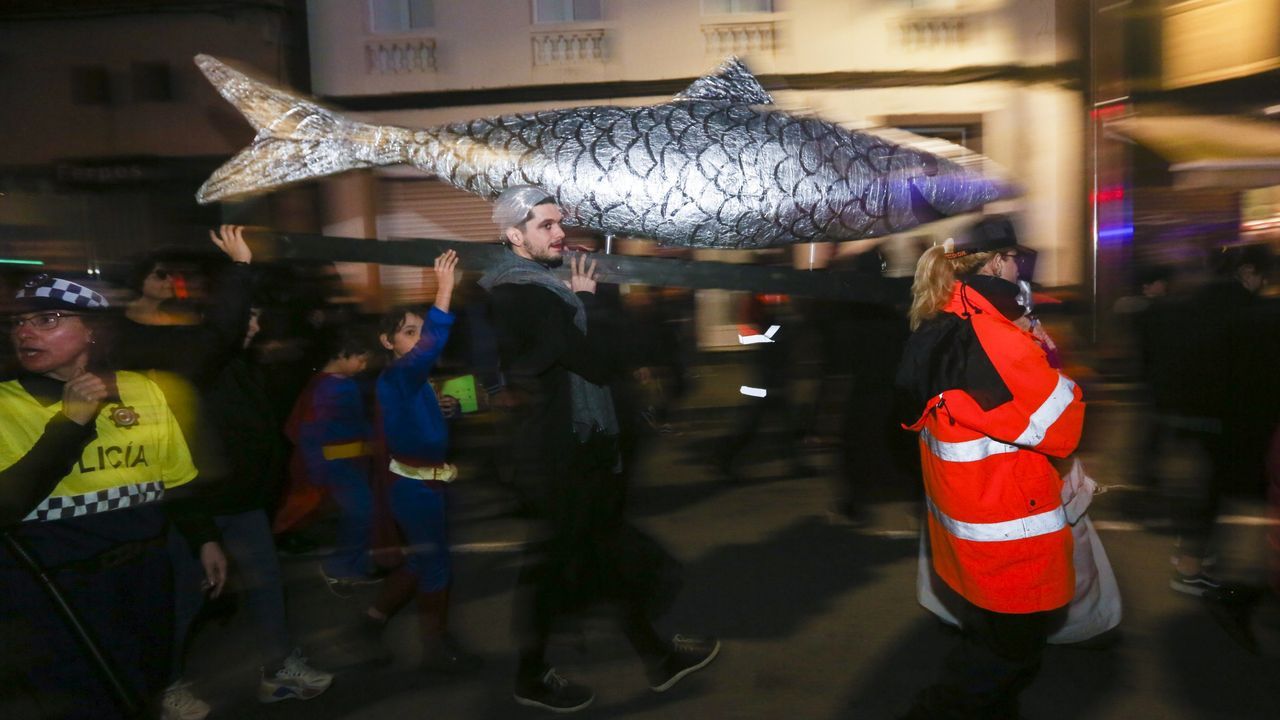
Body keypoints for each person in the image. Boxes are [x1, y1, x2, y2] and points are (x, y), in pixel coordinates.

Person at [480, 186, 718, 714]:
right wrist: (587, 299)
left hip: (580, 443)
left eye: (559, 222)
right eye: (546, 225)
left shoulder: (545, 283)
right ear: (514, 235)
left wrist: (587, 302)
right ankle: (532, 673)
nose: (559, 233)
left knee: (596, 555)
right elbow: (589, 361)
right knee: (562, 562)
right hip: (558, 450)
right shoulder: (519, 290)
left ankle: (656, 657)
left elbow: (605, 351)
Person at [0, 274, 227, 720]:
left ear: (93, 331)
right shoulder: (5, 403)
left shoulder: (144, 389)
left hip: (147, 575)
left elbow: (174, 475)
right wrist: (70, 425)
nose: (25, 332)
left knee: (145, 688)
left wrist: (204, 538)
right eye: (20, 322)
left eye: (47, 319)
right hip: (56, 587)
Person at [894, 215, 1085, 719]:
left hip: (969, 522)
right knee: (1008, 655)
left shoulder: (945, 319)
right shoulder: (993, 337)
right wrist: (1045, 352)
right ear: (1000, 261)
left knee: (991, 644)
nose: (1022, 271)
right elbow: (1063, 428)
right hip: (1009, 532)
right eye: (1017, 260)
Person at [361, 250, 481, 673]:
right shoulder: (399, 374)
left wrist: (443, 406)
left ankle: (372, 620)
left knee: (422, 561)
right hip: (414, 489)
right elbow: (427, 354)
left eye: (418, 331)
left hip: (424, 484)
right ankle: (436, 645)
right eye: (408, 332)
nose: (417, 338)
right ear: (386, 342)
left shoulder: (411, 380)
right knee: (436, 566)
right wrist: (444, 289)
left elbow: (419, 415)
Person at [275, 325, 377, 597]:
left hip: (347, 463)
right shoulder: (328, 389)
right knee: (361, 512)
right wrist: (318, 471)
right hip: (337, 465)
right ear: (342, 355)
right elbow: (310, 432)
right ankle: (340, 567)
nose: (363, 365)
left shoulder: (338, 384)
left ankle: (353, 565)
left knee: (360, 513)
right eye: (360, 359)